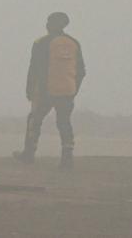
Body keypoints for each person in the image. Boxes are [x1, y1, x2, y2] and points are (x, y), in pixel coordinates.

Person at [13, 11, 86, 170]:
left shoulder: (41, 43)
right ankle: (67, 159)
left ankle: (29, 154)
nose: (46, 24)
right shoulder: (74, 43)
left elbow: (34, 69)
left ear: (51, 24)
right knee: (64, 123)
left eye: (48, 21)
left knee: (34, 120)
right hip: (67, 91)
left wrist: (29, 89)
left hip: (45, 91)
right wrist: (73, 89)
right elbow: (81, 71)